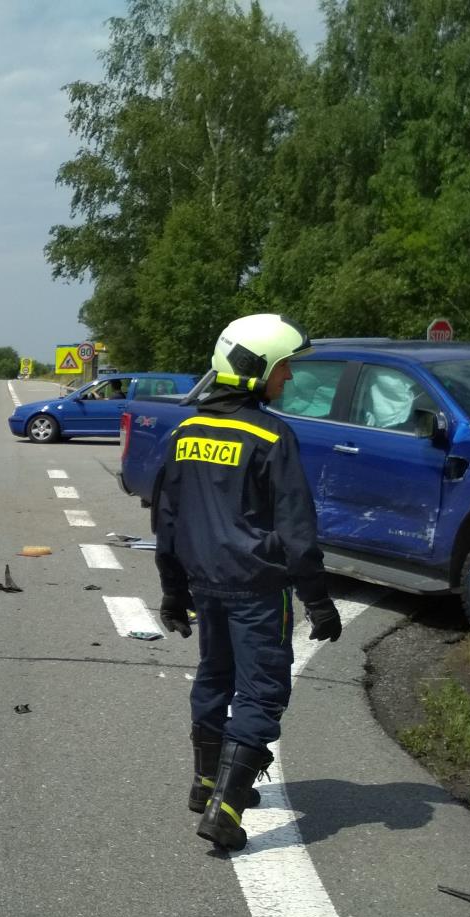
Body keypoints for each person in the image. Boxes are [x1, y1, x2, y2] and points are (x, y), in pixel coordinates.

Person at [154, 313, 342, 851]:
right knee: (261, 693)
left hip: (206, 586)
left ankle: (205, 784)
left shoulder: (186, 432)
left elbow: (166, 520)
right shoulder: (271, 435)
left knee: (214, 678)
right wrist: (318, 600)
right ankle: (226, 810)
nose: (289, 377)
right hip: (258, 590)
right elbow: (297, 530)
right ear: (255, 369)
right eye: (283, 367)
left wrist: (173, 591)